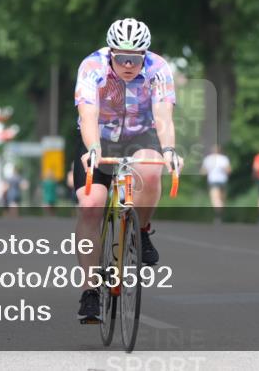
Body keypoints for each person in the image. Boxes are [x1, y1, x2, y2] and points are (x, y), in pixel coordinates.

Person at [74, 18, 182, 324]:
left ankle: (142, 230)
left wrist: (170, 150)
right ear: (110, 53)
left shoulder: (158, 68)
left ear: (145, 56)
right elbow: (88, 112)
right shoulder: (91, 67)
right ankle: (90, 289)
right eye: (121, 58)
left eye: (136, 59)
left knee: (149, 171)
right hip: (99, 138)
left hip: (140, 136)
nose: (128, 65)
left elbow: (163, 115)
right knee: (91, 204)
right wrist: (93, 149)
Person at [200, 144, 231, 223]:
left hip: (213, 180)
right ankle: (220, 214)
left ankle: (218, 215)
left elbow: (203, 172)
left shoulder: (208, 159)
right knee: (221, 199)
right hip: (223, 180)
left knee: (215, 199)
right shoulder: (224, 159)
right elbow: (229, 171)